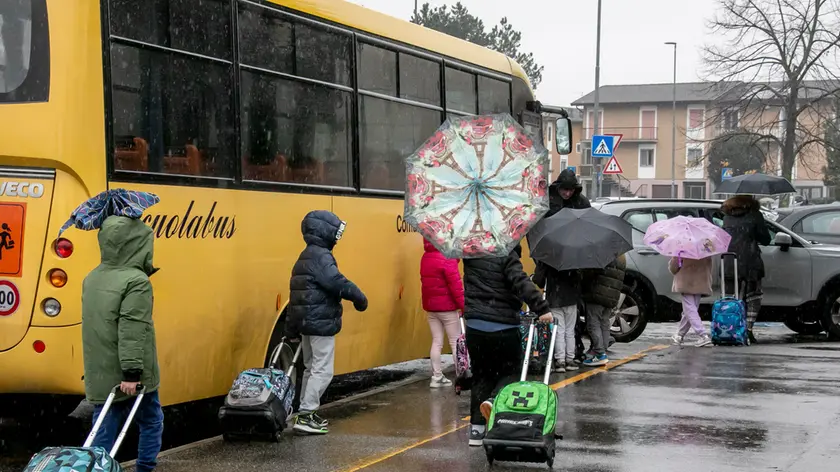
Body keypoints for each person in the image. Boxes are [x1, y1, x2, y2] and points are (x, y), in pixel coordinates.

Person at [82, 216, 162, 472]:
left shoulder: (92, 277)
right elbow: (132, 328)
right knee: (151, 421)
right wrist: (131, 373)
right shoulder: (136, 282)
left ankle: (97, 468)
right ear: (138, 244)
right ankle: (145, 468)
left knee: (104, 425)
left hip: (100, 368)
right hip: (132, 371)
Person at [287, 210, 368, 435]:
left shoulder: (303, 257)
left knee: (311, 368)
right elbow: (335, 281)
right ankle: (305, 414)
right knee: (323, 370)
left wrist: (290, 328)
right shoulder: (321, 257)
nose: (337, 237)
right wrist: (358, 296)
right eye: (335, 232)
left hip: (306, 323)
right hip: (320, 323)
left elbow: (295, 296)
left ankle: (305, 413)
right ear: (325, 232)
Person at [462, 244, 551, 447]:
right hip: (502, 325)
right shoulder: (505, 253)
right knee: (512, 371)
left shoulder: (470, 253)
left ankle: (476, 430)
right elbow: (519, 282)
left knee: (481, 375)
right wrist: (542, 307)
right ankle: (494, 401)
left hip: (475, 326)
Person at [544, 168, 591, 363]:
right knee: (567, 325)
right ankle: (568, 357)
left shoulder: (581, 203)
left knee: (564, 325)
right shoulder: (548, 199)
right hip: (561, 261)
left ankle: (564, 358)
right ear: (558, 187)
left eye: (571, 190)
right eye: (564, 190)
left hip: (569, 265)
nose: (567, 193)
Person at [722, 195, 771, 343]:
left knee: (731, 297)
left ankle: (730, 329)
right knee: (753, 297)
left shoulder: (727, 217)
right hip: (750, 261)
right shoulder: (755, 216)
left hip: (729, 261)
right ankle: (748, 330)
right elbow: (766, 240)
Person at [420, 238, 465, 388]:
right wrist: (463, 306)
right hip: (448, 308)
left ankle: (436, 376)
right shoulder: (447, 258)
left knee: (437, 341)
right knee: (455, 342)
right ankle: (461, 377)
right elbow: (456, 287)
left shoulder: (426, 257)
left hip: (431, 308)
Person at [532, 262, 581, 373]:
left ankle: (560, 361)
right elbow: (578, 279)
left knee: (559, 331)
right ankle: (570, 360)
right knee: (569, 331)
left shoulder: (548, 256)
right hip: (571, 299)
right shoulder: (574, 257)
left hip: (554, 298)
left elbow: (538, 280)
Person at [581, 254, 626, 366]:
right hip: (611, 295)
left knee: (593, 324)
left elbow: (591, 273)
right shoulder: (621, 256)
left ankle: (600, 354)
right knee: (604, 323)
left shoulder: (600, 254)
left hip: (597, 294)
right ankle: (601, 351)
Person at [668, 256, 713, 347]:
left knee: (690, 310)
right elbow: (709, 266)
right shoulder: (704, 247)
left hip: (686, 282)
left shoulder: (682, 247)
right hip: (701, 281)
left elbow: (674, 268)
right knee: (690, 310)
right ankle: (679, 335)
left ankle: (703, 335)